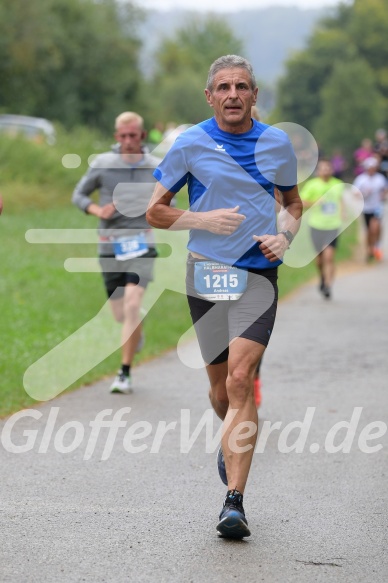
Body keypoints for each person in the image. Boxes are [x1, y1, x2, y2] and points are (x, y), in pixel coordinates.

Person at [146, 55, 302, 539]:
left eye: (241, 86)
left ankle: (233, 501)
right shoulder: (189, 143)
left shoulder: (277, 143)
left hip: (258, 273)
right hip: (207, 274)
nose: (232, 94)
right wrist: (201, 220)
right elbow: (154, 211)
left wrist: (286, 236)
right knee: (220, 392)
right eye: (223, 87)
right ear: (209, 96)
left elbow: (293, 203)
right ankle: (232, 435)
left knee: (240, 379)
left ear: (255, 95)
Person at [72, 112, 160, 393]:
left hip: (142, 244)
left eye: (133, 135)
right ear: (115, 137)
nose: (128, 141)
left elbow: (171, 197)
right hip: (110, 245)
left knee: (133, 304)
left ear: (142, 136)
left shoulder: (156, 167)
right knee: (121, 314)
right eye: (122, 136)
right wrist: (98, 210)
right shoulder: (103, 164)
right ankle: (135, 329)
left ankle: (124, 373)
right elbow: (78, 195)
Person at [300, 159, 345, 299]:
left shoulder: (337, 184)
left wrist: (343, 212)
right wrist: (315, 202)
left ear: (332, 170)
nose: (325, 170)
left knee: (329, 257)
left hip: (333, 225)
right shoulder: (312, 185)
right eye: (323, 168)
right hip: (316, 225)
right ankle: (322, 277)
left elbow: (341, 199)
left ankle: (327, 285)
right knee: (319, 260)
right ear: (318, 171)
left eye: (328, 168)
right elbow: (301, 201)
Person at [353, 156, 388, 262]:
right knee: (369, 231)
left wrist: (383, 195)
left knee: (375, 227)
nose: (371, 169)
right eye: (369, 167)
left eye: (373, 167)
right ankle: (370, 250)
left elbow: (385, 189)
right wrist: (363, 193)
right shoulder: (361, 179)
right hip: (366, 208)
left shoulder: (380, 178)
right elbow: (354, 192)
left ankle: (377, 246)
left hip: (377, 207)